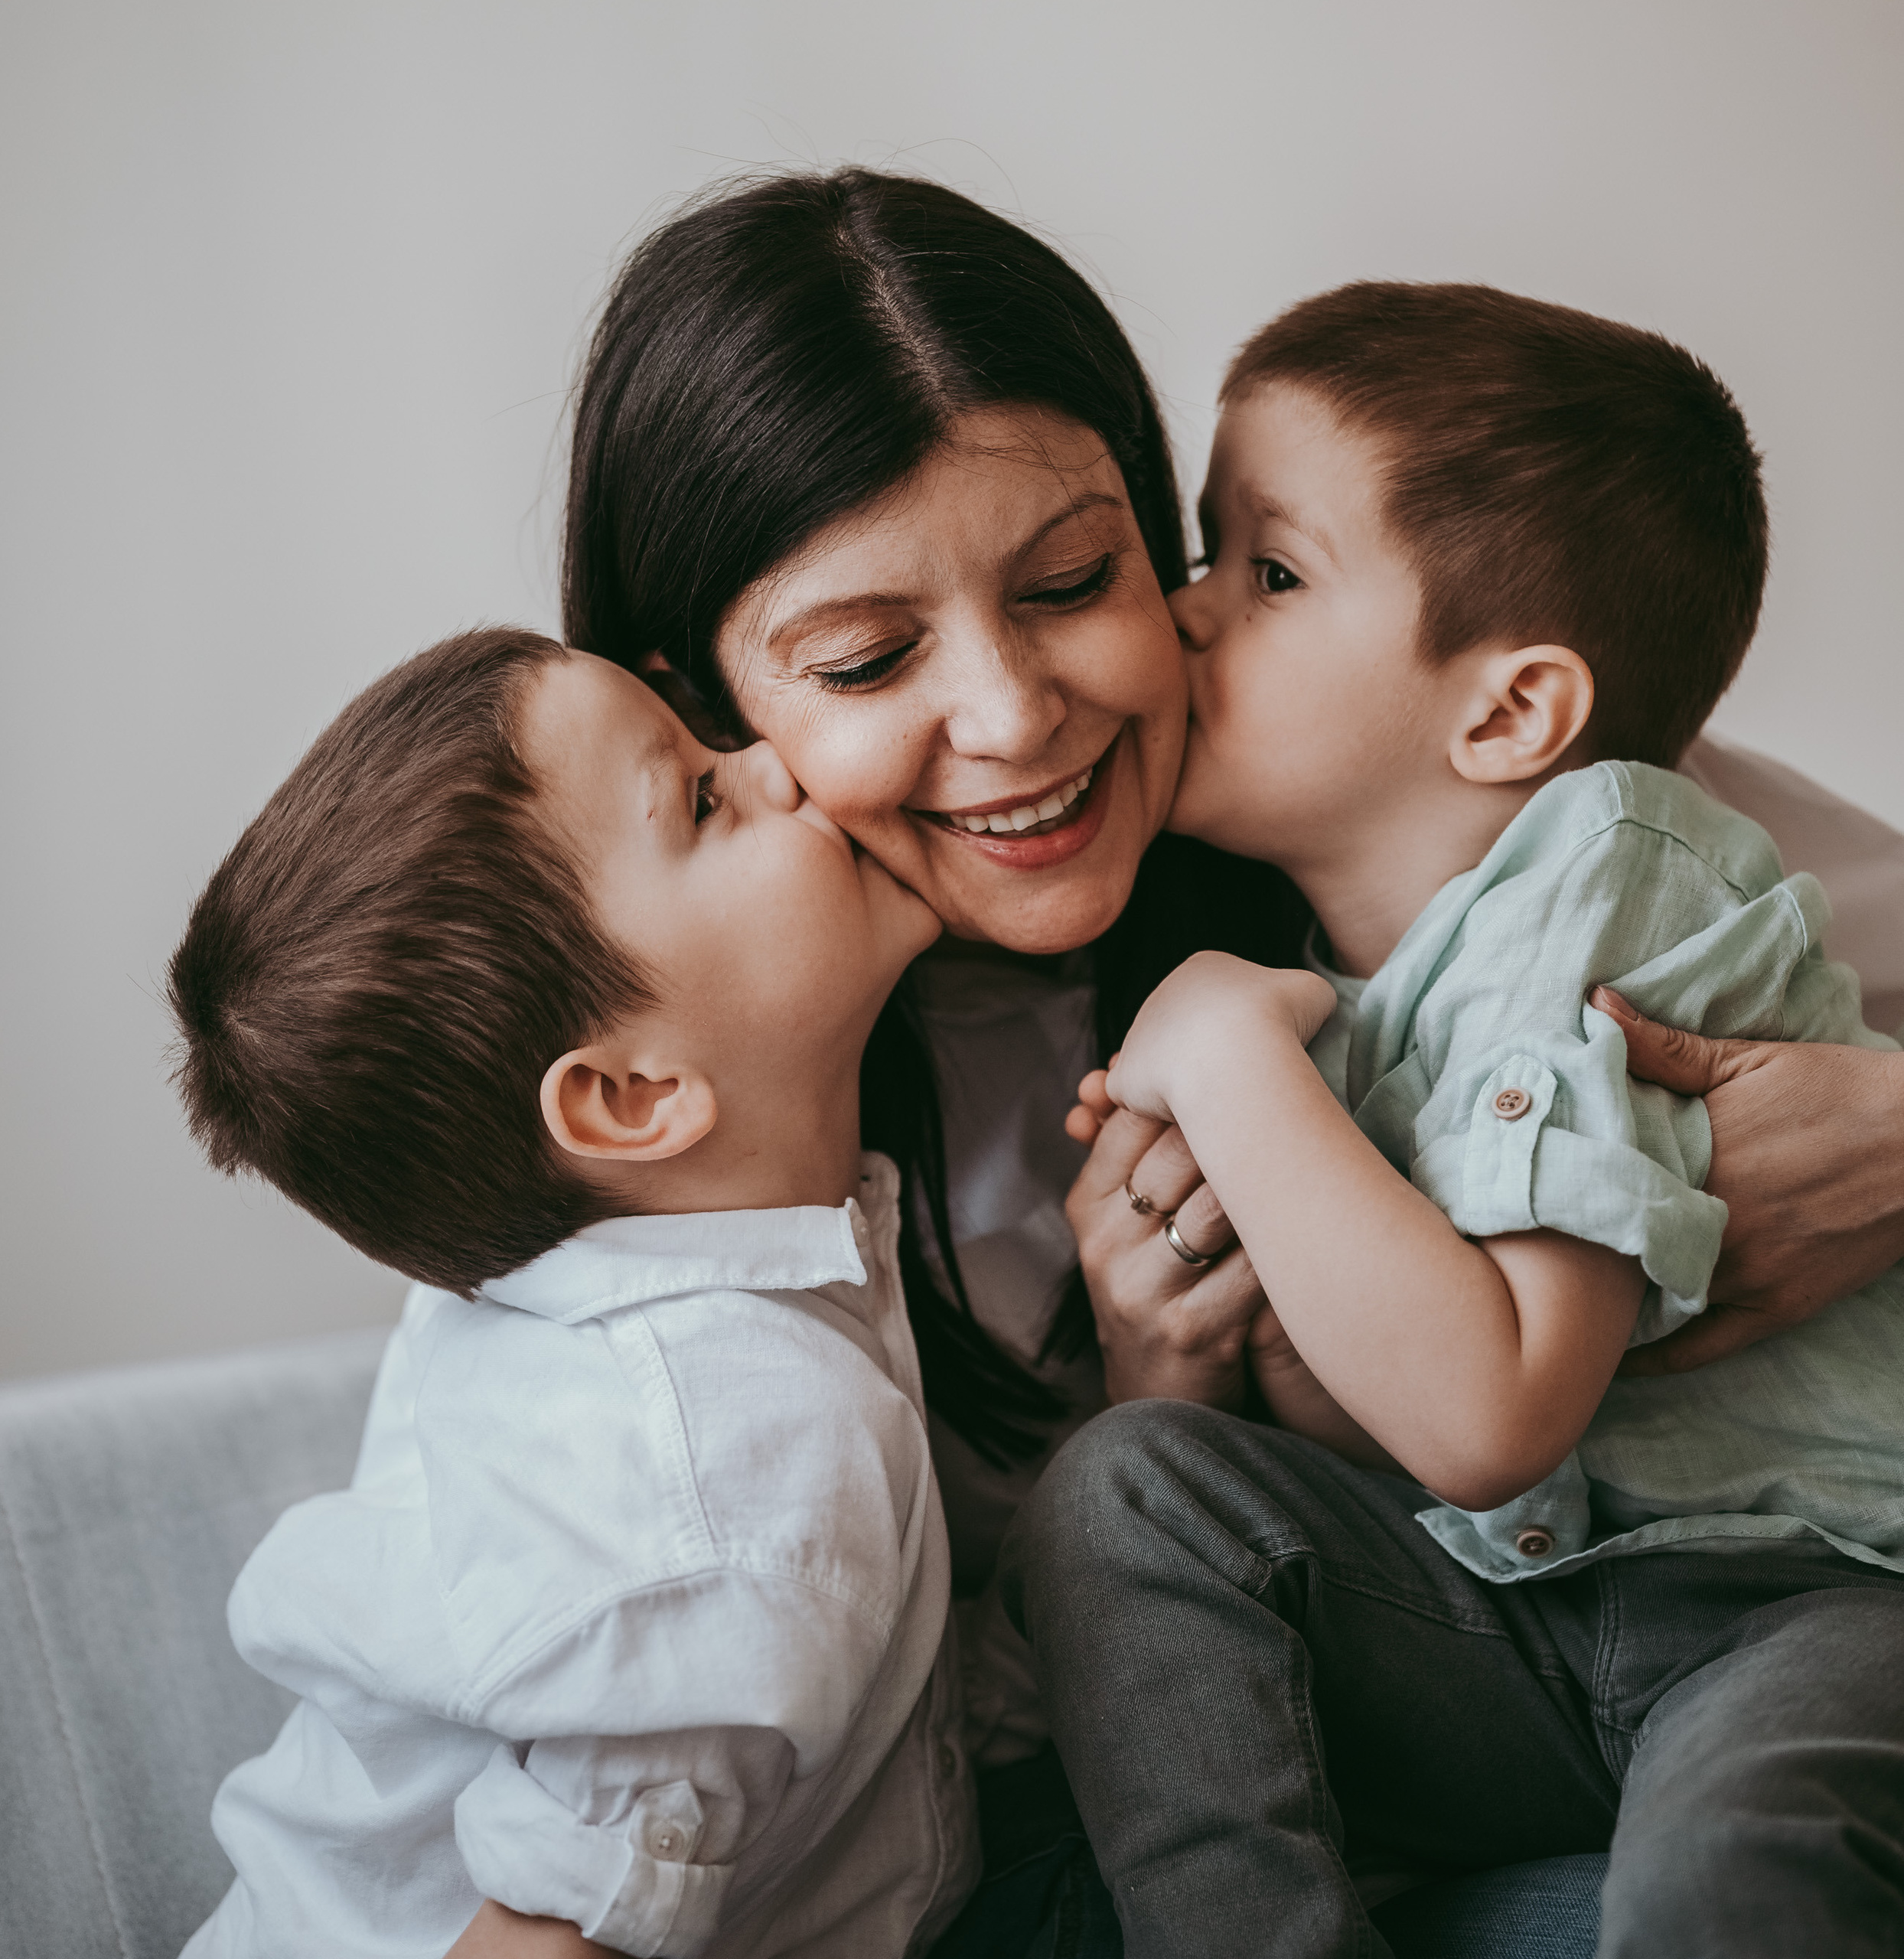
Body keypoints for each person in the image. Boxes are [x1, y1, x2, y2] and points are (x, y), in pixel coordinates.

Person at [556, 168, 1904, 1951]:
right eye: (872, 655)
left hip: (1777, 1622)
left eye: (1078, 577)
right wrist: (1172, 1379)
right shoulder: (679, 1124)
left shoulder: (1534, 829)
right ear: (703, 712)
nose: (1017, 714)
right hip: (1421, 1697)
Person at [1006, 283, 1904, 1958]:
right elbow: (1382, 1462)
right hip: (1523, 1628)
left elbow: (1490, 1410)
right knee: (1123, 1487)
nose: (1182, 614)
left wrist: (1218, 1054)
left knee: (1731, 1865)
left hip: (1798, 1599)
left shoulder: (1610, 870)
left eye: (1264, 570)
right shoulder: (1327, 994)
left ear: (1505, 713)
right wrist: (1213, 1322)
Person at [168, 627, 976, 1959]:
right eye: (706, 798)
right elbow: (553, 1938)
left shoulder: (558, 1286)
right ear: (633, 1096)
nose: (776, 763)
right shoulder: (728, 1475)